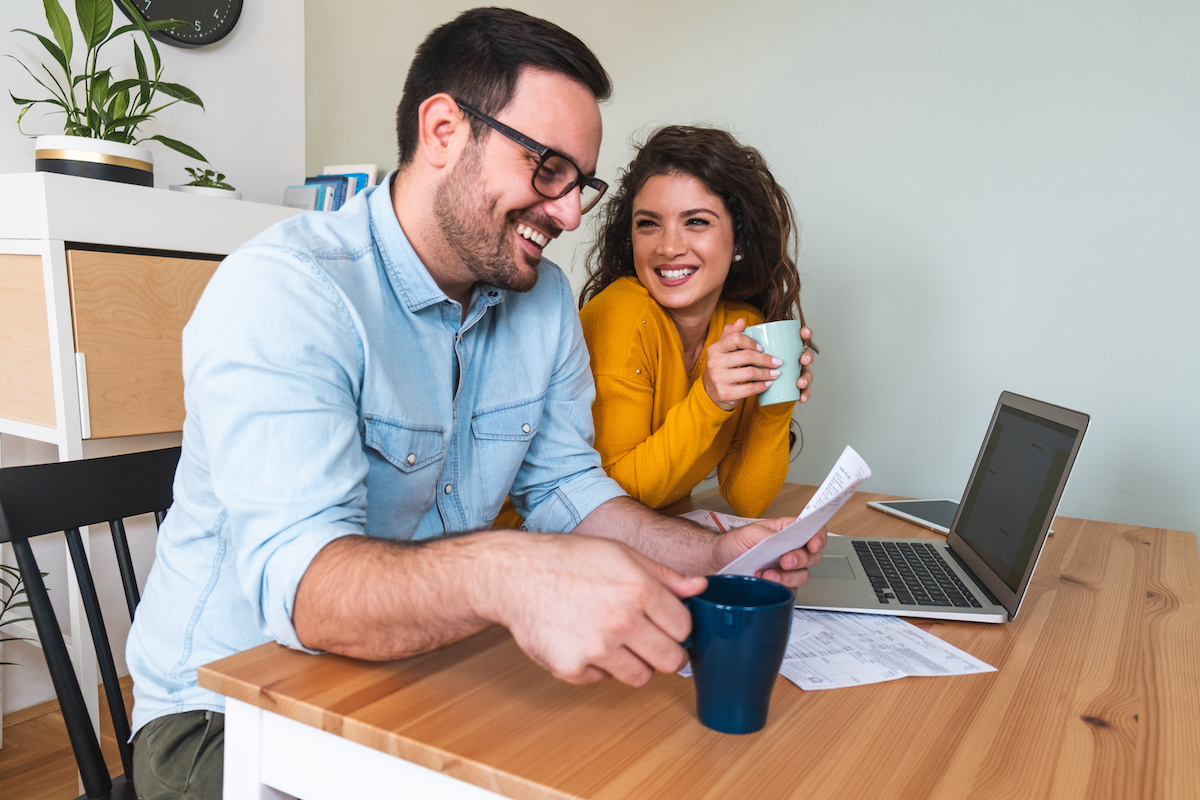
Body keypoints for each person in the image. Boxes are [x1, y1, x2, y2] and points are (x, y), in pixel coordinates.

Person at [126, 10, 826, 799]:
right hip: (225, 718)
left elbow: (568, 489)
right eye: (548, 168)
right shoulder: (289, 292)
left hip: (421, 674)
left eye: (581, 185)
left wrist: (711, 555)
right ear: (443, 129)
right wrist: (511, 574)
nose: (568, 214)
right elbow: (306, 590)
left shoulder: (543, 300)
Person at [576, 125, 816, 517]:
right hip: (536, 546)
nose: (669, 247)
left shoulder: (742, 327)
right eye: (648, 223)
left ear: (739, 240)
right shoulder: (623, 314)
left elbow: (746, 498)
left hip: (650, 544)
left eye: (697, 221)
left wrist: (774, 409)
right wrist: (709, 400)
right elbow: (609, 503)